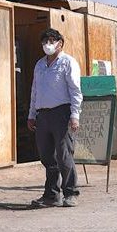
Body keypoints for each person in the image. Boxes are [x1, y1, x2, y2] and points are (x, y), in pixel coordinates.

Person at [27, 28, 83, 208]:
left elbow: (75, 91)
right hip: (42, 115)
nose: (48, 44)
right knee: (46, 156)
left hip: (62, 113)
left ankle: (71, 192)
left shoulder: (68, 62)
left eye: (52, 41)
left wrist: (75, 115)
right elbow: (35, 91)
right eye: (45, 41)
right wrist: (31, 114)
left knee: (64, 154)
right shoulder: (39, 65)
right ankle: (51, 195)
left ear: (60, 43)